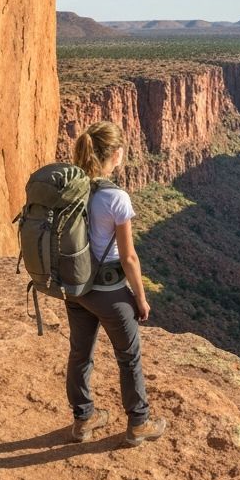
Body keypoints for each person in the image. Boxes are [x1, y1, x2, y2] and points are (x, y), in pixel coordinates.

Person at [65, 121, 165, 446]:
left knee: (80, 354)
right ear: (116, 154)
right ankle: (139, 423)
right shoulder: (116, 198)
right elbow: (129, 258)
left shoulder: (73, 187)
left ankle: (83, 421)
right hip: (109, 292)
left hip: (76, 288)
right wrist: (141, 297)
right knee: (129, 357)